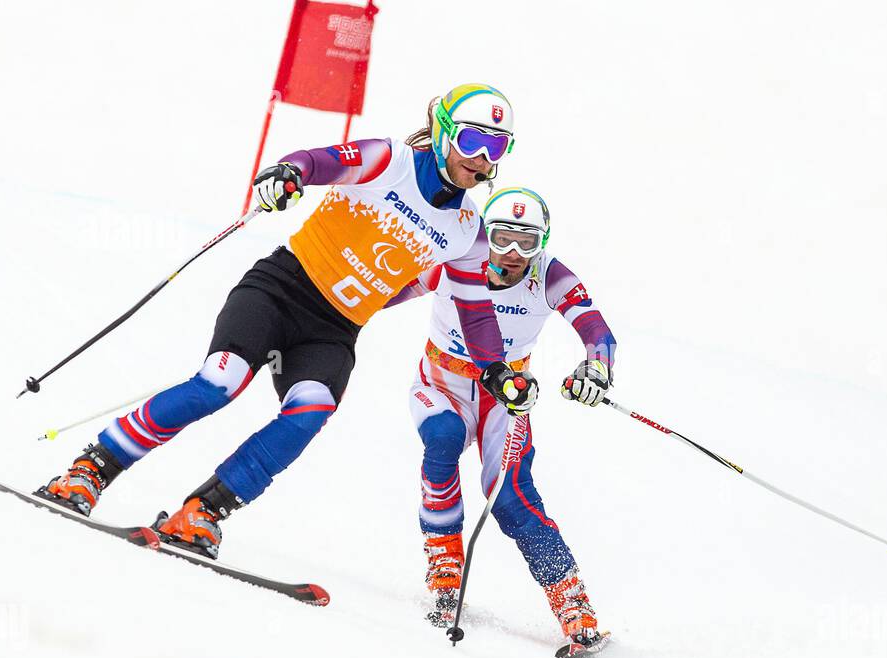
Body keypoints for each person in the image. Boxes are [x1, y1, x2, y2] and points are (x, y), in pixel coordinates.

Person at [35, 83, 534, 559]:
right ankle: (89, 470)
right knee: (219, 382)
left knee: (312, 408)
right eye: (473, 140)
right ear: (445, 131)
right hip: (280, 290)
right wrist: (289, 173)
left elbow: (474, 309)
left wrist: (495, 369)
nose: (483, 157)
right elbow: (319, 161)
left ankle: (202, 512)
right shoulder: (392, 160)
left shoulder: (469, 230)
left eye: (497, 146)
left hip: (334, 330)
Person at [388, 187, 616, 648]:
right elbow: (384, 292)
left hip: (504, 396)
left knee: (510, 497)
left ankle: (572, 603)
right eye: (501, 238)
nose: (511, 253)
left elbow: (598, 332)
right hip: (441, 382)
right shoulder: (457, 254)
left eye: (526, 243)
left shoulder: (550, 276)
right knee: (444, 439)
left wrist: (596, 367)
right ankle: (445, 567)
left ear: (542, 243)